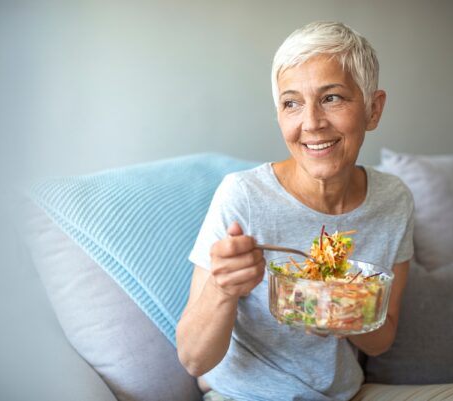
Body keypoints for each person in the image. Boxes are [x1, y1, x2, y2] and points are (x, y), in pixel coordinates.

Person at [176, 21, 414, 401]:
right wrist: (223, 288)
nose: (312, 123)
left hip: (347, 393)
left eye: (332, 98)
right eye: (292, 103)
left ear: (373, 108)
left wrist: (335, 308)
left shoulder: (394, 200)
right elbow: (193, 359)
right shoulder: (243, 196)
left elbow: (382, 340)